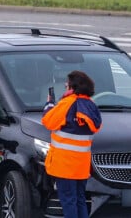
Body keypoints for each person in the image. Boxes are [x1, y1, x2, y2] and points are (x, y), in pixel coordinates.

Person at [42, 70, 102, 218]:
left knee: (68, 201)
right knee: (80, 199)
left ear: (72, 87)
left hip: (64, 165)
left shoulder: (67, 103)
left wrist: (49, 104)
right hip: (81, 166)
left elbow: (48, 121)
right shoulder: (91, 105)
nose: (65, 88)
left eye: (66, 85)